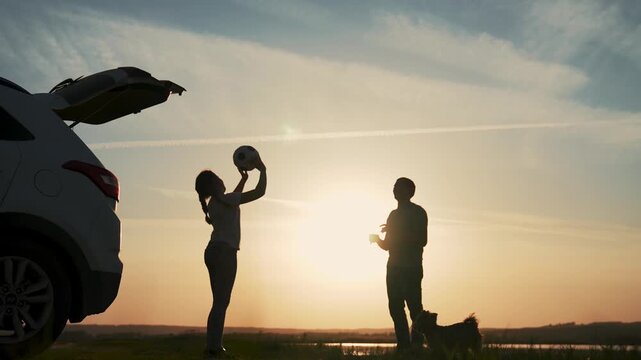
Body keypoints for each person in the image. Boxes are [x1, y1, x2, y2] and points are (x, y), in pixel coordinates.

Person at [194, 156, 266, 359]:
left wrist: (243, 179)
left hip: (213, 251)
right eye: (218, 178)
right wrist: (263, 170)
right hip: (225, 252)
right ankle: (214, 348)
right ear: (215, 184)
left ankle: (213, 346)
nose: (221, 179)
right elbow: (260, 193)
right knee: (221, 302)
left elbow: (234, 197)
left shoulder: (217, 202)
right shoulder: (225, 199)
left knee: (218, 302)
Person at [372, 177, 428, 350]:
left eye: (398, 187)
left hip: (411, 268)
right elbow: (388, 245)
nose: (394, 189)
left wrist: (397, 230)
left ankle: (417, 347)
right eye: (394, 186)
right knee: (395, 308)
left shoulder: (418, 212)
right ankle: (403, 347)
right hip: (394, 267)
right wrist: (377, 240)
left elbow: (421, 240)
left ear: (409, 191)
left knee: (414, 308)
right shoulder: (393, 215)